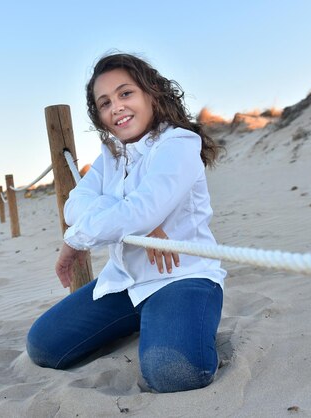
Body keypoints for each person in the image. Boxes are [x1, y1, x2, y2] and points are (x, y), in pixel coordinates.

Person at [27, 52, 226, 393]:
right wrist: (137, 220)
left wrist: (83, 237)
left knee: (172, 372)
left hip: (181, 278)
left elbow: (140, 210)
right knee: (44, 346)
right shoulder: (110, 155)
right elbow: (74, 207)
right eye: (104, 103)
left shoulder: (178, 144)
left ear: (151, 93)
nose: (115, 107)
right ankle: (145, 322)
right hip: (123, 283)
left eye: (125, 93)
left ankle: (178, 324)